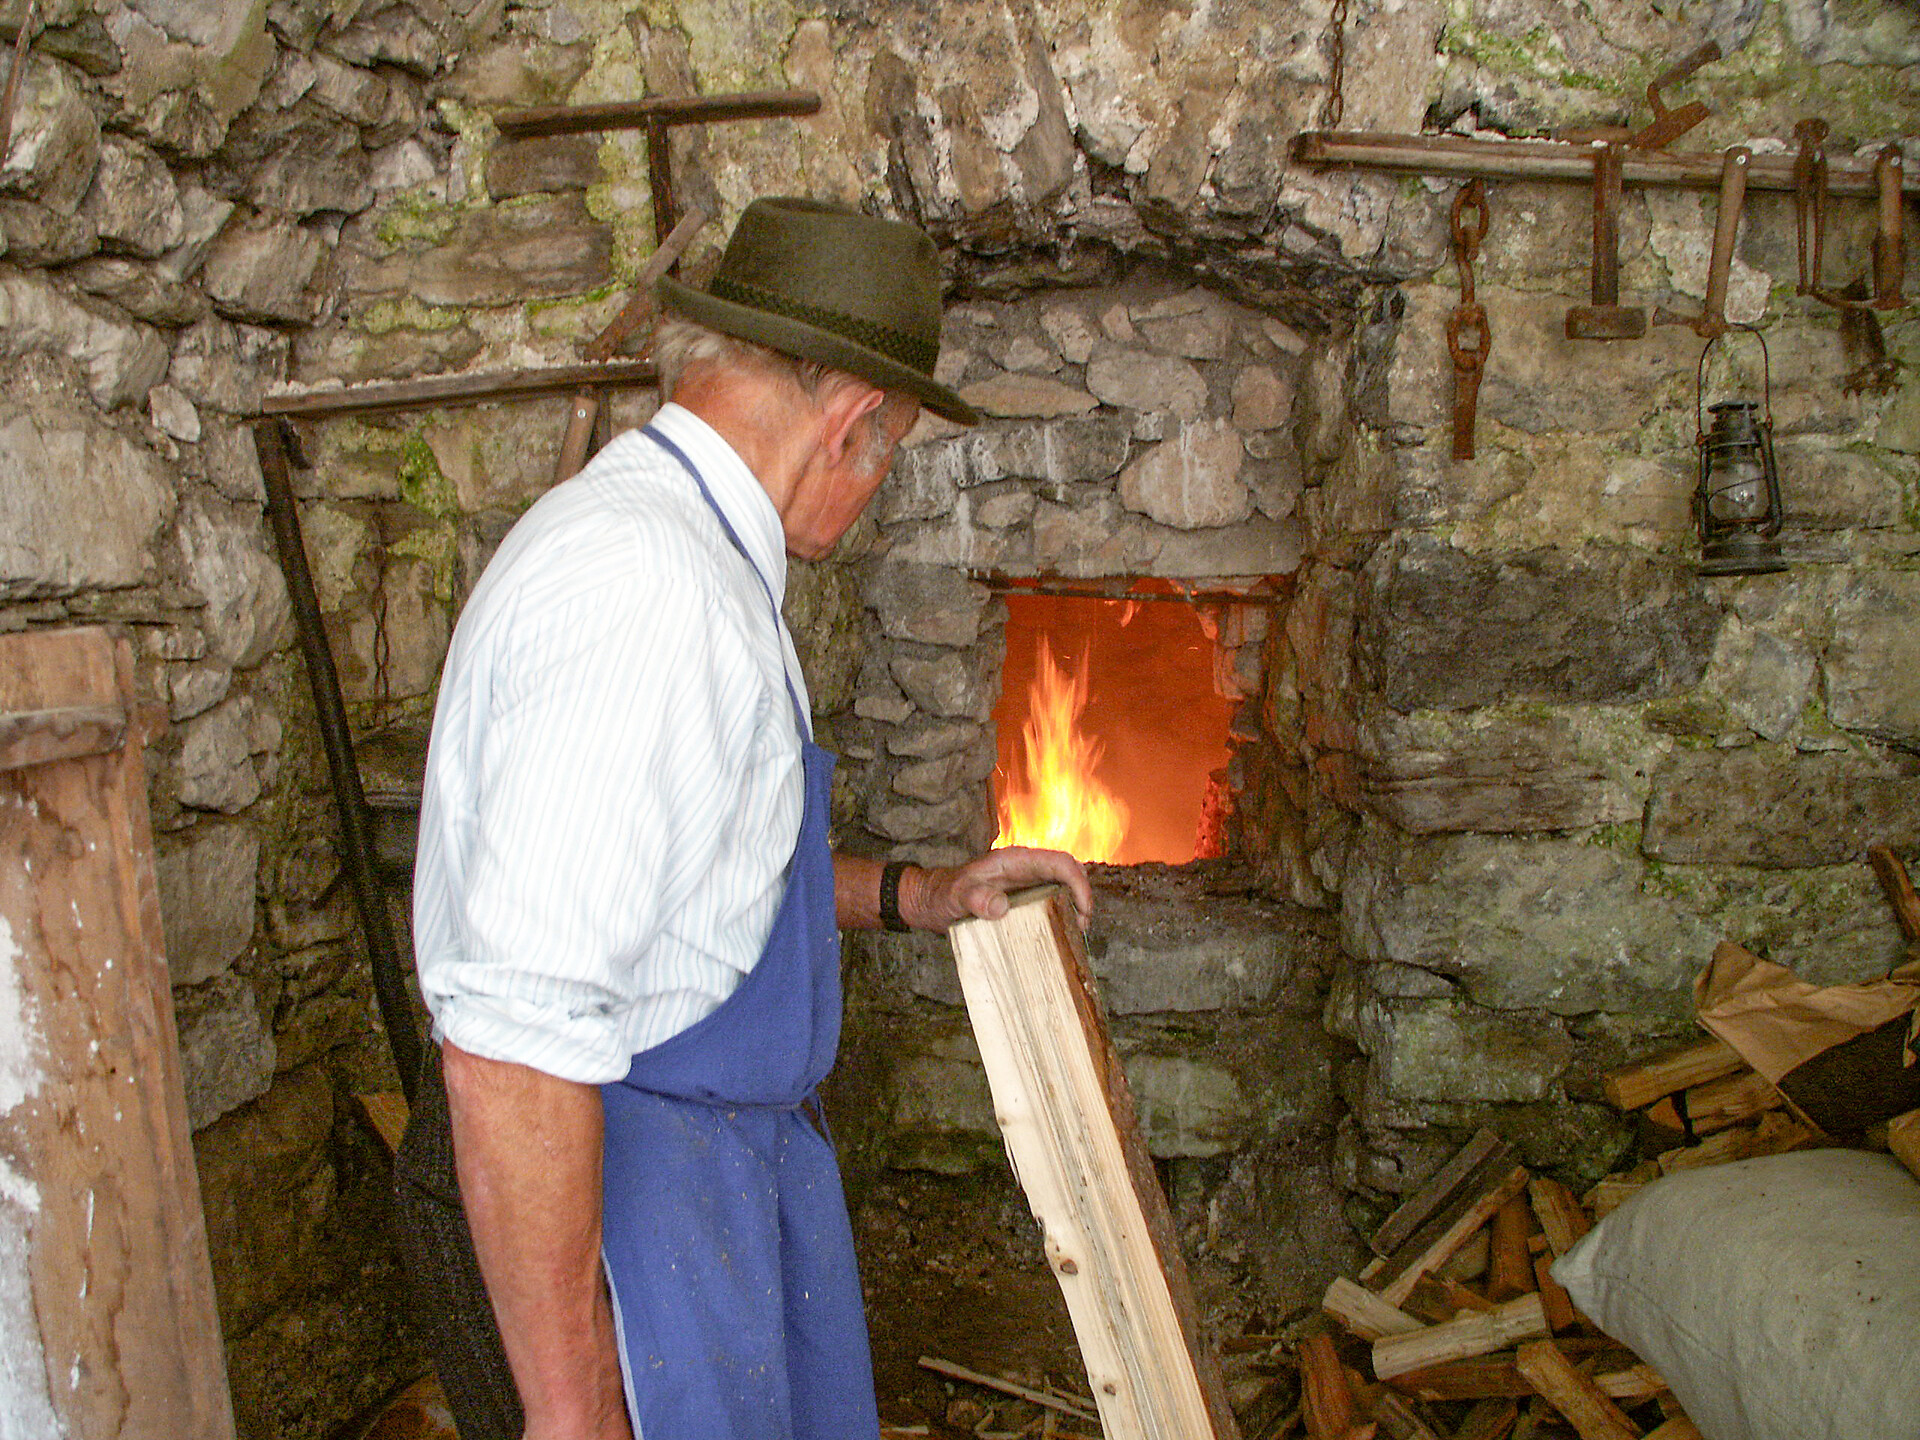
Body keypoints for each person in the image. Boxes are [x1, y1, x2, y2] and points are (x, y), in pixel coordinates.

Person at [401, 196, 1093, 1440]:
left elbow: (696, 872)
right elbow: (513, 1045)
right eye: (889, 459)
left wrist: (920, 895)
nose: (874, 492)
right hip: (622, 1199)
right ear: (851, 427)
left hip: (711, 1172)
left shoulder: (700, 556)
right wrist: (577, 1414)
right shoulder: (643, 594)